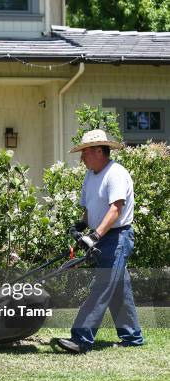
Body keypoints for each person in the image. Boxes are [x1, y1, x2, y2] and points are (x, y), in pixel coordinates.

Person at [54, 129, 144, 354]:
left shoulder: (115, 173)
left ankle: (81, 338)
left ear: (97, 151)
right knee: (118, 289)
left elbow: (115, 209)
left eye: (84, 152)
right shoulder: (91, 175)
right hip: (103, 236)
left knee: (102, 286)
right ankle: (132, 337)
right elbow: (90, 208)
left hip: (117, 238)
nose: (81, 157)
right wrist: (81, 226)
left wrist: (95, 236)